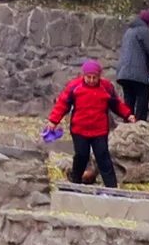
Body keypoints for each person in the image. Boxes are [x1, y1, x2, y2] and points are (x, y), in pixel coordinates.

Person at [46, 56, 136, 187]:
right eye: (89, 77)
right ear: (84, 75)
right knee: (81, 156)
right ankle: (75, 181)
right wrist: (53, 121)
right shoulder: (74, 86)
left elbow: (116, 104)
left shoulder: (106, 87)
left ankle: (111, 187)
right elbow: (63, 104)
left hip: (99, 130)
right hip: (79, 129)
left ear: (99, 76)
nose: (92, 80)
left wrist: (128, 115)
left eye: (95, 77)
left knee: (103, 156)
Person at [116, 8, 149, 124]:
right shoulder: (143, 30)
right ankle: (140, 126)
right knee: (142, 98)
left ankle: (127, 126)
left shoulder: (129, 31)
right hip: (137, 73)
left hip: (123, 73)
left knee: (129, 101)